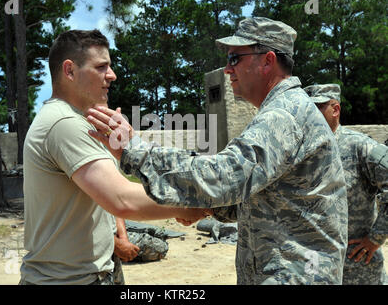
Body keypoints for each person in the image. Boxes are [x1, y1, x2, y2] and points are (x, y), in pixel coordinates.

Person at [87, 17, 349, 285]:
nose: (227, 69)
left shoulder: (284, 114)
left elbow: (225, 176)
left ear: (268, 61)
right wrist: (206, 208)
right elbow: (260, 196)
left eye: (235, 58)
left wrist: (134, 150)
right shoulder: (284, 110)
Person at [19, 29, 210, 285]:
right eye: (101, 67)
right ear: (70, 71)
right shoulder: (64, 123)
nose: (112, 75)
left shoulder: (82, 121)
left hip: (90, 272)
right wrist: (191, 201)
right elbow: (121, 199)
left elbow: (109, 194)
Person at [305, 83, 388, 285]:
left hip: (356, 267)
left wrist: (376, 238)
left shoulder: (361, 147)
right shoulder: (301, 152)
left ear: (335, 109)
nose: (310, 115)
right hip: (314, 263)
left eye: (318, 108)